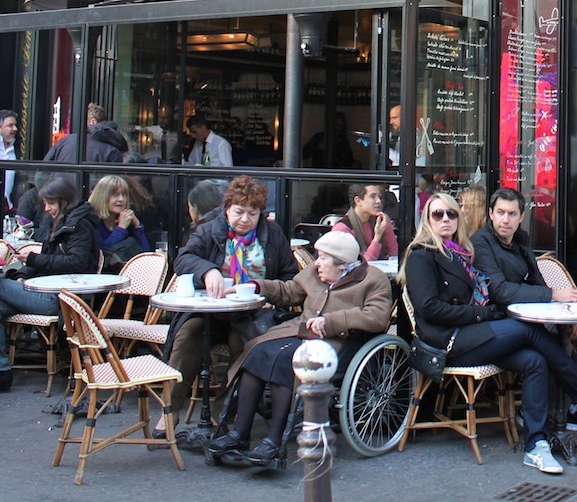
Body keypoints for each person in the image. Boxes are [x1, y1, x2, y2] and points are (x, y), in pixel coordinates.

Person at [402, 191, 577, 476]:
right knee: (528, 330)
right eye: (438, 214)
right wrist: (483, 313)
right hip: (446, 342)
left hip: (473, 332)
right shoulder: (422, 255)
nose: (446, 219)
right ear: (427, 219)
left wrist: (484, 313)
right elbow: (429, 309)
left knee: (534, 361)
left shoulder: (459, 252)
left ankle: (536, 444)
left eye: (451, 213)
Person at [205, 231, 392, 466]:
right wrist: (256, 286)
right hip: (300, 332)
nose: (317, 263)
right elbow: (290, 291)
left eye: (323, 258)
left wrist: (332, 321)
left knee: (286, 361)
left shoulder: (373, 279)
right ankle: (239, 434)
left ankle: (274, 440)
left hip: (338, 344)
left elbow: (376, 317)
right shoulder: (315, 274)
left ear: (342, 264)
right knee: (258, 353)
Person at [471, 186, 577, 434]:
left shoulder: (522, 239)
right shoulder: (481, 243)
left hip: (532, 311)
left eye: (511, 214)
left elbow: (536, 279)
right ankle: (555, 411)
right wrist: (553, 295)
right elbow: (499, 292)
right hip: (502, 320)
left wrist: (564, 312)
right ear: (490, 214)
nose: (505, 219)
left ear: (521, 217)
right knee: (552, 337)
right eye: (500, 213)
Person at [162, 175, 297, 432]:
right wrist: (208, 270)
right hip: (212, 311)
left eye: (252, 213)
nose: (245, 219)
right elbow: (183, 259)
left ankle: (223, 412)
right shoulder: (208, 229)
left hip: (253, 314)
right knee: (188, 336)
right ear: (226, 210)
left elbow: (289, 275)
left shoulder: (273, 234)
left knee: (243, 344)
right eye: (239, 212)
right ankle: (170, 410)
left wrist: (272, 296)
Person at [0, 174, 100, 395]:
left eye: (50, 203)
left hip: (61, 298)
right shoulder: (59, 223)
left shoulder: (79, 226)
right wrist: (23, 273)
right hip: (43, 290)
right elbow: (44, 259)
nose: (47, 208)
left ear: (63, 201)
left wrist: (33, 261)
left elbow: (76, 263)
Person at [89, 174, 151, 267]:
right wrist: (121, 229)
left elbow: (145, 254)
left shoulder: (126, 220)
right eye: (115, 195)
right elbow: (103, 253)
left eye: (124, 195)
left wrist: (137, 226)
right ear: (102, 197)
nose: (121, 199)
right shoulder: (91, 221)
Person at [41, 103, 127, 165]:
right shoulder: (114, 150)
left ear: (92, 121)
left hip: (60, 189)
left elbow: (42, 172)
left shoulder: (65, 141)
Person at [332, 182, 399, 261]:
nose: (378, 201)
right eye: (372, 196)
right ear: (358, 201)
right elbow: (362, 265)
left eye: (379, 196)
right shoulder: (343, 229)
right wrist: (377, 238)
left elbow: (394, 254)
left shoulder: (382, 220)